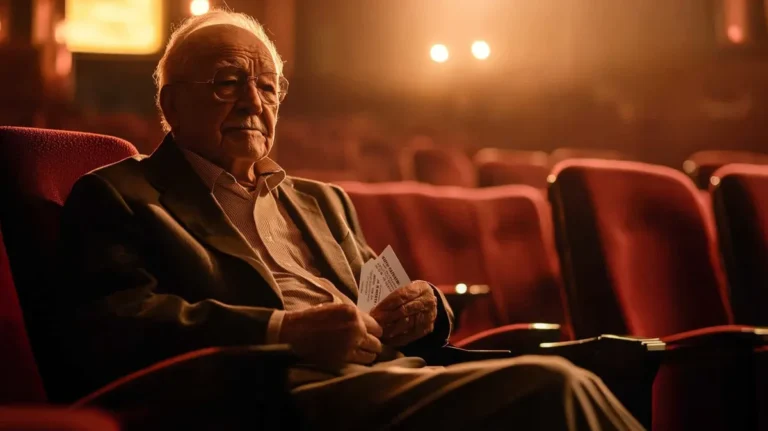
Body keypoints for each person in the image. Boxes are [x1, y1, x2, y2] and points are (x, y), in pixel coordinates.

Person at [57, 10, 644, 430]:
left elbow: (380, 296)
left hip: (394, 372)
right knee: (557, 388)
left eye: (267, 87)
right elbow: (118, 324)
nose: (252, 102)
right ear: (171, 105)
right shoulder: (121, 194)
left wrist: (426, 309)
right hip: (277, 391)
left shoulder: (322, 201)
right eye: (227, 83)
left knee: (579, 374)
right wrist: (284, 331)